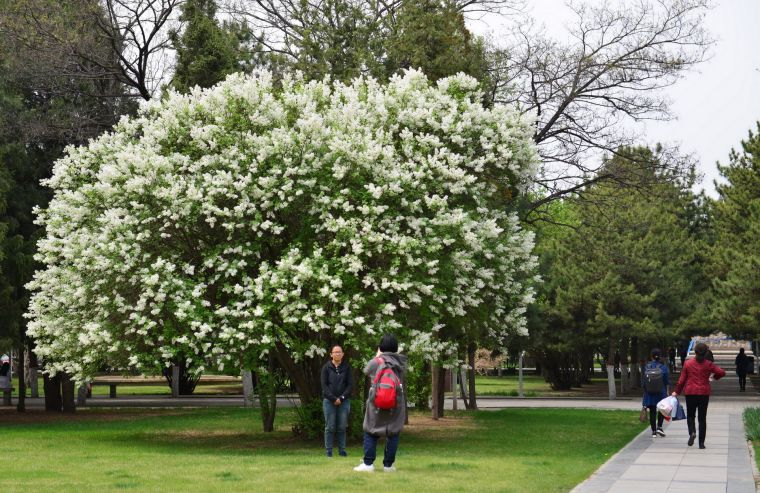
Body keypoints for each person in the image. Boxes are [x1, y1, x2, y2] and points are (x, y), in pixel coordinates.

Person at [354, 334, 407, 473]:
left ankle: (368, 464)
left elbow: (366, 371)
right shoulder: (401, 362)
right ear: (395, 347)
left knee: (371, 431)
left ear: (381, 346)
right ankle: (388, 466)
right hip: (396, 403)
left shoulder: (377, 362)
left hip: (376, 403)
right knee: (393, 433)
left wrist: (378, 356)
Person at [672, 342, 726, 449]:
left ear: (695, 351)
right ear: (706, 352)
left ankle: (692, 432)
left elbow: (681, 380)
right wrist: (714, 377)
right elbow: (722, 372)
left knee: (691, 416)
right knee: (702, 418)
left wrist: (676, 392)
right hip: (704, 394)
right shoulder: (709, 364)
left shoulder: (688, 363)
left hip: (691, 392)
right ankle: (701, 443)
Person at [321, 344, 353, 457]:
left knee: (342, 427)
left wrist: (342, 398)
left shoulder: (347, 367)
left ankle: (342, 451)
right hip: (329, 401)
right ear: (331, 354)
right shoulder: (326, 367)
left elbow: (349, 385)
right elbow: (324, 386)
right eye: (335, 352)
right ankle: (328, 451)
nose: (337, 354)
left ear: (342, 354)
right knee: (330, 427)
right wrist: (334, 399)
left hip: (344, 402)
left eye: (339, 352)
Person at [642, 348, 669, 438]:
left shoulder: (647, 367)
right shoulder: (663, 368)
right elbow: (666, 382)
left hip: (650, 393)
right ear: (660, 356)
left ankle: (653, 431)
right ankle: (659, 427)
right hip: (661, 392)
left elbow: (644, 381)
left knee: (652, 411)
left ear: (651, 356)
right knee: (661, 410)